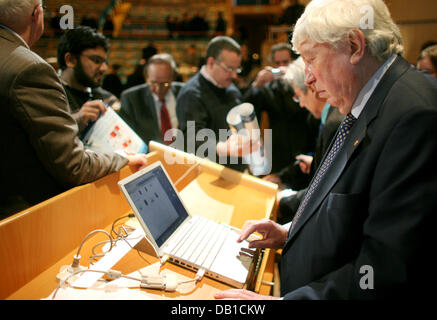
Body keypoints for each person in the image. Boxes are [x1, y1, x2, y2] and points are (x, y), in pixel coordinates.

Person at [216, 0, 437, 300]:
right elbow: (346, 199)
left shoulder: (413, 116)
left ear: (355, 46)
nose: (307, 78)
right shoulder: (369, 98)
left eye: (311, 59)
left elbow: (385, 269)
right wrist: (290, 231)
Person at [0, 0, 147, 219]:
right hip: (25, 218)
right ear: (37, 15)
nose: (103, 68)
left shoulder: (105, 97)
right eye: (96, 60)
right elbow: (73, 165)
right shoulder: (31, 70)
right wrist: (121, 157)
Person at [268, 57, 343, 224]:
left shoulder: (335, 122)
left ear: (312, 88)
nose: (301, 104)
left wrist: (283, 201)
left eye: (298, 96)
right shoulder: (328, 118)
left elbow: (327, 191)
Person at [244, 43, 317, 187]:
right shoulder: (269, 88)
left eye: (285, 62)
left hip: (305, 146)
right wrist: (257, 84)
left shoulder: (305, 83)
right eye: (277, 63)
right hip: (278, 152)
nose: (282, 66)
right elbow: (248, 108)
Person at [176, 36, 248, 171]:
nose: (233, 76)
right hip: (207, 173)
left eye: (236, 69)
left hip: (235, 170)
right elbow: (190, 139)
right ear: (211, 62)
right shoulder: (191, 94)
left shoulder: (231, 89)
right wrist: (221, 147)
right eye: (229, 69)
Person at [57, 26, 119, 136]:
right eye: (96, 60)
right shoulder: (49, 94)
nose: (104, 68)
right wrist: (77, 120)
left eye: (105, 62)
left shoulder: (107, 98)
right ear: (70, 60)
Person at [119, 53, 184, 145]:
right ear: (146, 78)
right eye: (153, 83)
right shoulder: (132, 98)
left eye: (165, 84)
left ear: (173, 78)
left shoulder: (185, 93)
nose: (158, 89)